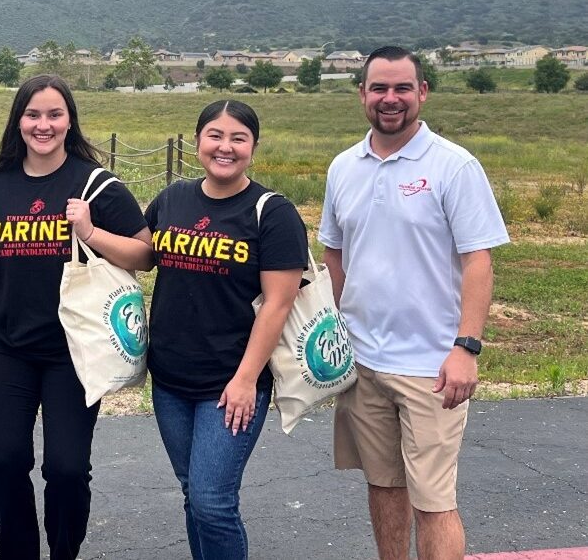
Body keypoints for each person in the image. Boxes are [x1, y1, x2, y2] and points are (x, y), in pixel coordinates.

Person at [319, 46, 509, 560]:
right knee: (383, 488)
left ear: (422, 92)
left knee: (433, 501)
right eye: (379, 87)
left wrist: (466, 347)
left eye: (403, 87)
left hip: (431, 366)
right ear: (362, 94)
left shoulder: (454, 166)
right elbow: (334, 255)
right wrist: (327, 336)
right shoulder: (343, 167)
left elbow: (478, 262)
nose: (390, 99)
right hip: (363, 363)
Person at [0, 74, 151, 560]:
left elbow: (145, 253)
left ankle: (65, 551)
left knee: (66, 469)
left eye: (54, 115)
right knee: (5, 460)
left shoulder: (95, 184)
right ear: (18, 121)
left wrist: (90, 230)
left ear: (70, 121)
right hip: (5, 349)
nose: (43, 125)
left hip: (74, 354)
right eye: (33, 115)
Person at [143, 99, 307, 559]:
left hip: (231, 382)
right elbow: (142, 254)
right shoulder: (173, 198)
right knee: (194, 493)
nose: (225, 147)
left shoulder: (272, 212)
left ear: (253, 147)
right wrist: (90, 232)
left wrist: (245, 381)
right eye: (215, 135)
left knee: (213, 502)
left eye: (239, 138)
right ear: (197, 141)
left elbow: (278, 302)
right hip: (171, 379)